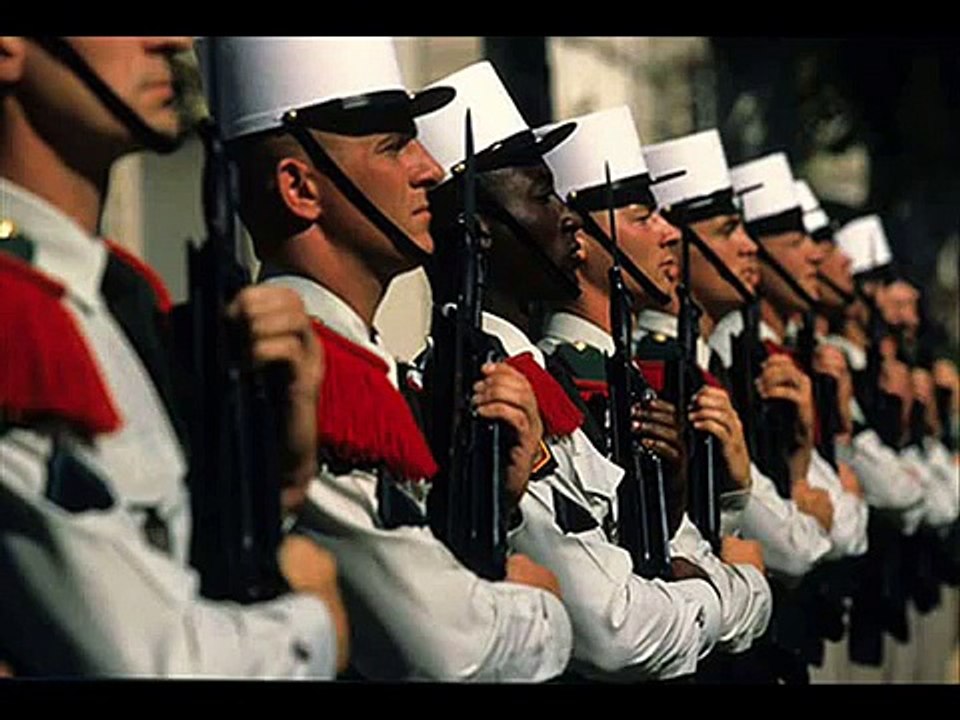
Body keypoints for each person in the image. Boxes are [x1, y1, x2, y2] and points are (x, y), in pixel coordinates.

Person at [202, 37, 573, 682]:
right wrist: (542, 610)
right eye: (394, 146)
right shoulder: (307, 374)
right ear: (299, 187)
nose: (430, 168)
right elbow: (442, 645)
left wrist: (493, 505)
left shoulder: (371, 367)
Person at [0, 36, 347, 677]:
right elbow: (154, 662)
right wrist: (314, 620)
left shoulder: (123, 299)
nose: (175, 40)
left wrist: (282, 485)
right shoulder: (17, 321)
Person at [417, 61, 725, 682]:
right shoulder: (485, 382)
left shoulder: (533, 379)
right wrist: (720, 598)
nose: (568, 219)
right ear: (480, 229)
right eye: (542, 194)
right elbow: (611, 626)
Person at [533, 105, 772, 660]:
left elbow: (687, 548)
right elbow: (618, 619)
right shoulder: (566, 380)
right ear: (580, 239)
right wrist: (738, 586)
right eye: (642, 217)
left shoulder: (630, 376)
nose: (669, 234)